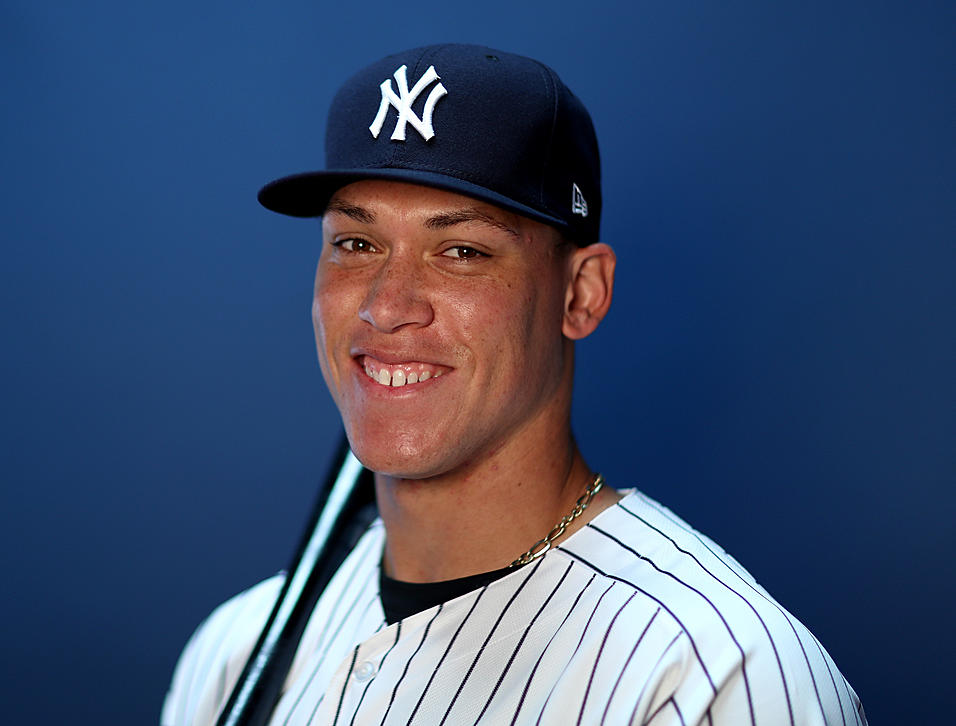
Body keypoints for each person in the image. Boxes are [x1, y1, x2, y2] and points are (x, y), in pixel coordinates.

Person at [162, 44, 866, 726]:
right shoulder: (233, 653)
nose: (387, 305)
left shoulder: (715, 679)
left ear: (581, 294)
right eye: (357, 244)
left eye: (462, 251)